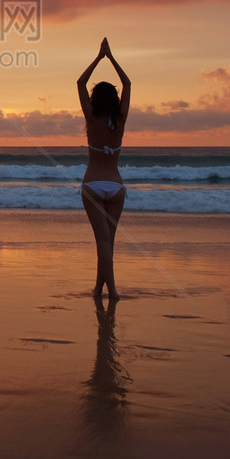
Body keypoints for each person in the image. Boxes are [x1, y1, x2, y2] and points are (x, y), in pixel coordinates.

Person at [77, 38, 131, 300]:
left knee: (103, 243)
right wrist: (111, 58)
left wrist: (99, 58)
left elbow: (80, 83)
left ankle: (113, 291)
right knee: (109, 242)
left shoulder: (91, 118)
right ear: (115, 100)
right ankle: (99, 289)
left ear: (95, 100)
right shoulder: (119, 121)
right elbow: (128, 84)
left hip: (92, 187)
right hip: (116, 188)